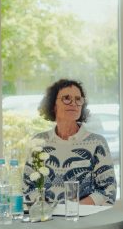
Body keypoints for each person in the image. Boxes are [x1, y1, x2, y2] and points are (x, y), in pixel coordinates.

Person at [25, 78, 116, 206]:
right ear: (53, 105)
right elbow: (28, 187)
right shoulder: (38, 142)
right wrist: (49, 211)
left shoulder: (97, 143)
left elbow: (107, 191)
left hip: (84, 221)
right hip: (46, 220)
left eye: (78, 99)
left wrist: (72, 209)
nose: (73, 103)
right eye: (66, 98)